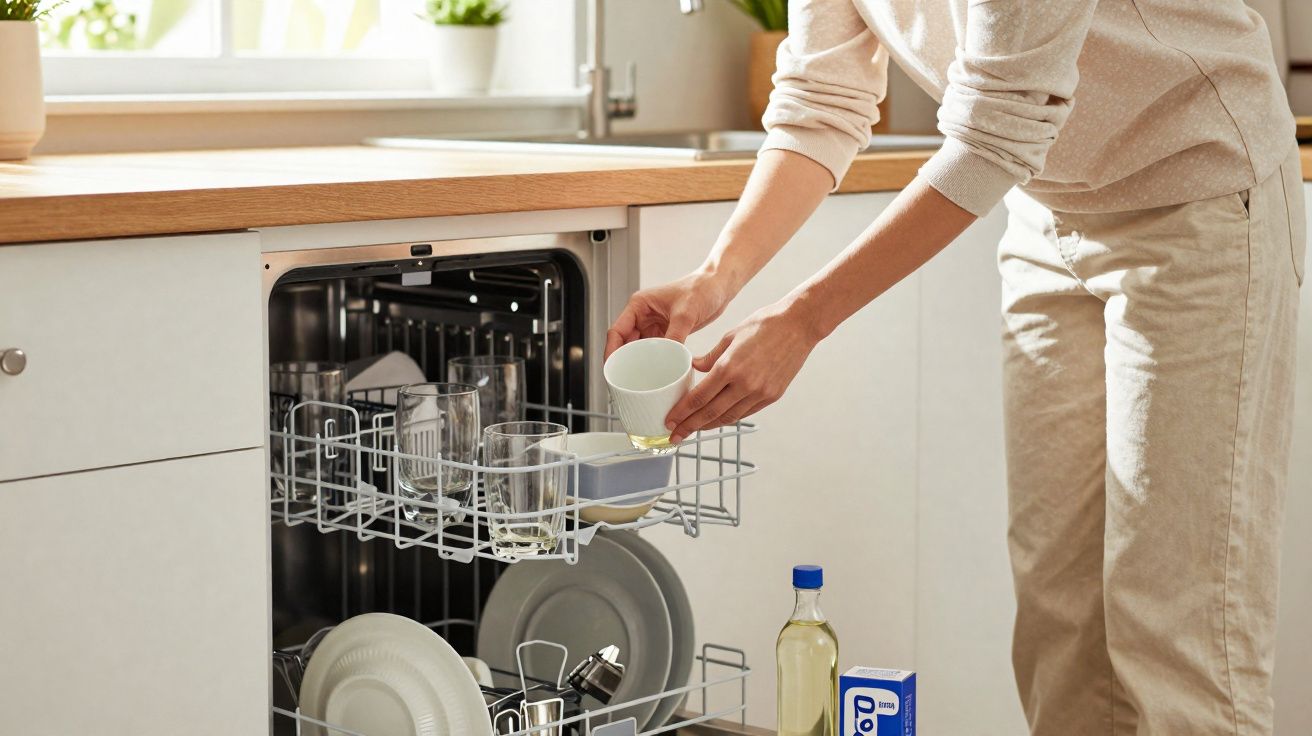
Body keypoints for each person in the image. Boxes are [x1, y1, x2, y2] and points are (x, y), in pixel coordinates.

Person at [605, 1, 1304, 734]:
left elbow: (998, 127)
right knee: (1059, 624)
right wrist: (717, 277)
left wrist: (803, 320)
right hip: (1047, 213)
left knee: (1174, 625)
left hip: (1197, 195)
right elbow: (822, 97)